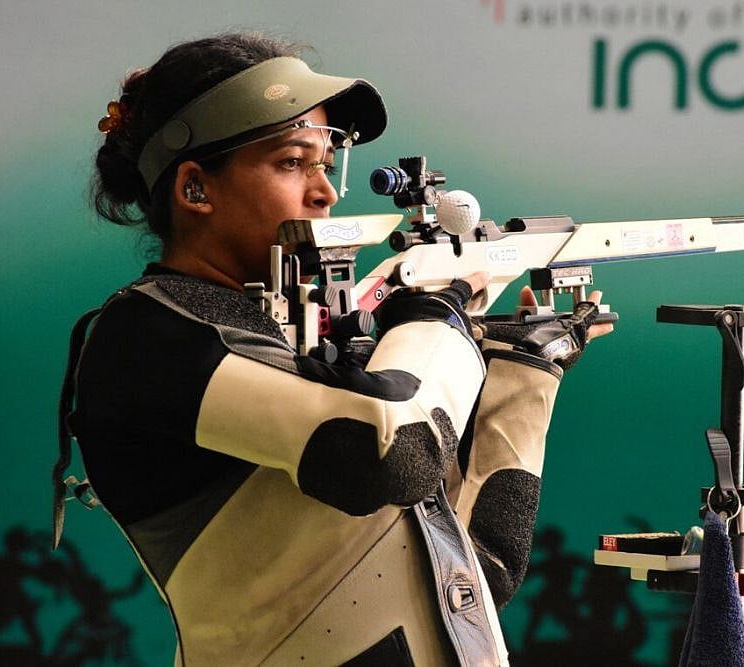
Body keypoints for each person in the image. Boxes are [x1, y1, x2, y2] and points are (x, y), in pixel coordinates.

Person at [58, 33, 610, 666]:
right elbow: (393, 456)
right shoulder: (148, 339)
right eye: (293, 161)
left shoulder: (303, 340)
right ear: (195, 189)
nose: (326, 191)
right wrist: (438, 311)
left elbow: (475, 575)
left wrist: (525, 372)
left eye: (327, 161)